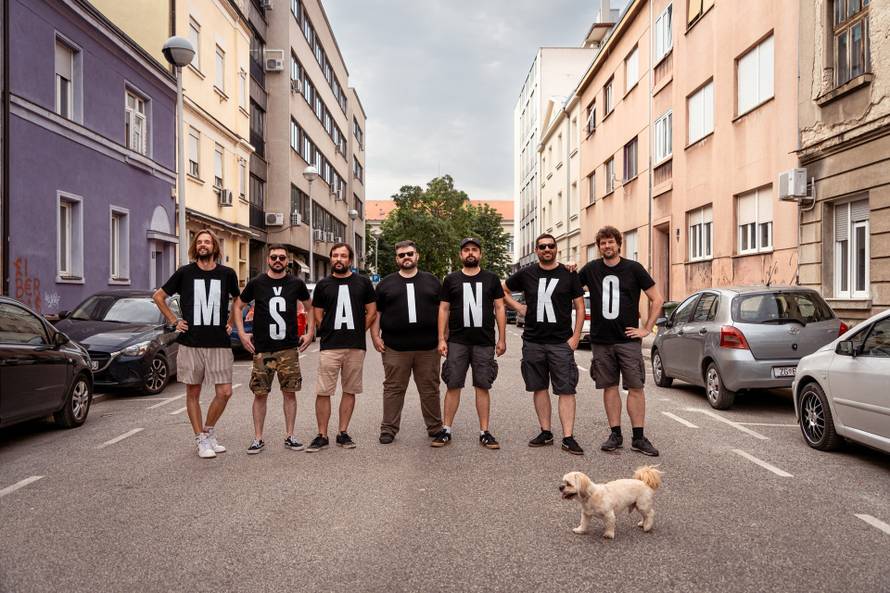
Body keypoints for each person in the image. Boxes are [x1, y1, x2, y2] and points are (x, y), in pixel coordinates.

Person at [152, 229, 240, 459]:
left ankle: (208, 431)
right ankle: (200, 438)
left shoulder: (227, 273)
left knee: (225, 392)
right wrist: (174, 321)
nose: (203, 245)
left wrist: (231, 321)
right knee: (193, 392)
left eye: (207, 242)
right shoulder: (184, 273)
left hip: (219, 342)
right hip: (191, 342)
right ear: (195, 247)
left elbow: (238, 299)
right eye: (199, 242)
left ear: (214, 247)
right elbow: (158, 296)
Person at [578, 226, 664, 457]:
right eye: (602, 243)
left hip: (627, 340)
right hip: (601, 340)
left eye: (610, 242)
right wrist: (567, 269)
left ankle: (638, 437)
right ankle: (615, 434)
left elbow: (657, 299)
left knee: (635, 387)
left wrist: (646, 329)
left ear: (618, 244)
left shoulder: (633, 268)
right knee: (609, 387)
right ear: (599, 247)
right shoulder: (591, 269)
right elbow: (571, 288)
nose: (607, 246)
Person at [503, 233, 586, 455]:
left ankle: (568, 437)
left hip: (561, 341)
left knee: (566, 389)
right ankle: (546, 431)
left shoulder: (569, 274)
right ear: (537, 251)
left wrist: (576, 336)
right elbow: (503, 289)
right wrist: (518, 307)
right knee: (539, 387)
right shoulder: (527, 273)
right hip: (533, 341)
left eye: (550, 246)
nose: (546, 249)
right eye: (542, 246)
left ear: (556, 249)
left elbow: (579, 307)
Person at [234, 245, 315, 454]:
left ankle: (290, 435)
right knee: (260, 394)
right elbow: (237, 306)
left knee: (290, 393)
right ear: (268, 260)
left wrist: (309, 331)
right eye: (274, 257)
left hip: (288, 348)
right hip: (263, 349)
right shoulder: (256, 283)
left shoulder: (296, 283)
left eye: (281, 257)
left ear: (287, 261)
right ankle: (258, 438)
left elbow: (310, 306)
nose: (277, 260)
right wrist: (242, 333)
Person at [434, 237, 506, 449]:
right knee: (453, 384)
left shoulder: (491, 279)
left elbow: (500, 308)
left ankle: (485, 431)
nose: (470, 253)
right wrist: (441, 338)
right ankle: (446, 429)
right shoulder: (451, 279)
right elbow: (443, 309)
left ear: (480, 254)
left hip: (484, 341)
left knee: (482, 386)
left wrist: (501, 338)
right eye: (466, 250)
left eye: (474, 250)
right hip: (457, 341)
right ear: (461, 255)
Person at [305, 243, 377, 452]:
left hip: (355, 346)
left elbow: (371, 312)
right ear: (330, 259)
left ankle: (343, 432)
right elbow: (317, 315)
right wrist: (327, 331)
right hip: (330, 346)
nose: (339, 259)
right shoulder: (323, 285)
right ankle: (322, 434)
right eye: (335, 255)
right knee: (324, 390)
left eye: (343, 256)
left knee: (349, 389)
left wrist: (357, 332)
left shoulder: (362, 283)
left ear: (350, 260)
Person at [371, 240, 444, 444]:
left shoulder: (432, 281)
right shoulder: (386, 283)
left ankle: (435, 427)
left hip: (428, 347)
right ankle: (388, 429)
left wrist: (443, 337)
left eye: (410, 253)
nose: (406, 257)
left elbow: (442, 311)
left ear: (417, 256)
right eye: (402, 255)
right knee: (393, 389)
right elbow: (377, 313)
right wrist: (376, 336)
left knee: (430, 389)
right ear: (397, 259)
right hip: (395, 347)